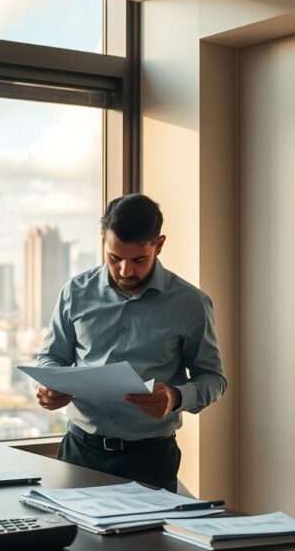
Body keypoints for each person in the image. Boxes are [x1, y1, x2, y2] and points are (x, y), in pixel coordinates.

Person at [35, 194, 226, 492]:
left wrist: (175, 397)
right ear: (102, 241)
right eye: (114, 258)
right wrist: (49, 387)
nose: (126, 271)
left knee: (148, 540)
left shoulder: (191, 304)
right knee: (72, 539)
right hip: (79, 451)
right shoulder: (75, 292)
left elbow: (214, 379)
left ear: (158, 245)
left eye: (139, 260)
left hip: (150, 458)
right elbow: (50, 358)